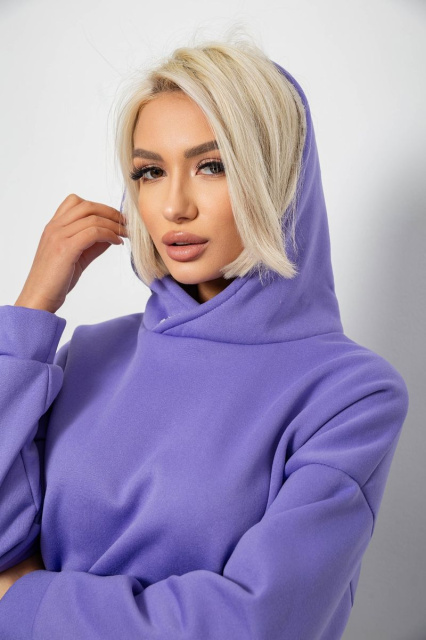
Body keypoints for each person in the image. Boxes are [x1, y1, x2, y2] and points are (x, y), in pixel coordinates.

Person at [0, 34, 409, 639]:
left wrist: (24, 603)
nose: (174, 206)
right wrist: (31, 311)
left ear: (277, 177)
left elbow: (252, 623)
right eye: (150, 171)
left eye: (212, 166)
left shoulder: (352, 395)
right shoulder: (89, 355)